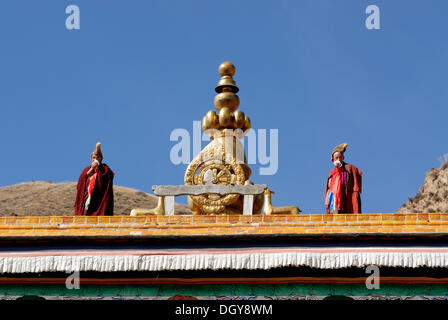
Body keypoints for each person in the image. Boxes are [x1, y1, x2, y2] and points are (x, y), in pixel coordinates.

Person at [74, 142, 114, 216]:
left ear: (101, 158)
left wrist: (98, 170)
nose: (96, 159)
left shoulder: (105, 169)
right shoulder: (87, 169)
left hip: (99, 199)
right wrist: (91, 169)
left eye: (98, 157)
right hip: (87, 198)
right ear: (91, 159)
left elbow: (108, 178)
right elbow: (81, 182)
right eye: (94, 158)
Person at [324, 143, 362, 214]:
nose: (338, 159)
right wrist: (326, 200)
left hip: (346, 198)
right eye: (336, 158)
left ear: (343, 158)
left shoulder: (349, 168)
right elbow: (329, 188)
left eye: (340, 157)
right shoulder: (332, 173)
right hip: (334, 200)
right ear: (333, 159)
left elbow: (358, 173)